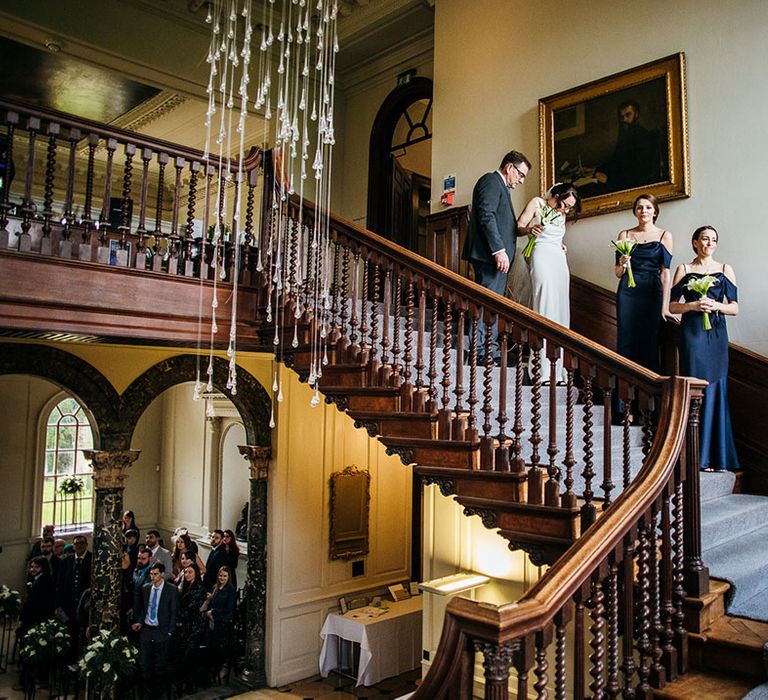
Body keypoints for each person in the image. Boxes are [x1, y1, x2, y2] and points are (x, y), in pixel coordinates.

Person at [669, 226, 740, 471]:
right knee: (696, 386)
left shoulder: (724, 269)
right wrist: (693, 306)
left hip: (717, 334)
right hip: (693, 333)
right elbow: (672, 306)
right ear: (695, 242)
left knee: (717, 386)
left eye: (713, 240)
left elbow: (734, 307)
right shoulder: (684, 269)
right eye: (705, 239)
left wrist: (715, 306)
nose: (709, 243)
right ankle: (695, 454)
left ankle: (717, 456)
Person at [462, 150, 531, 363]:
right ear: (510, 167)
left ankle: (488, 348)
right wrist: (498, 250)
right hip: (490, 256)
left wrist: (527, 230)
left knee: (492, 305)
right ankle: (479, 351)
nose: (520, 181)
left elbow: (505, 225)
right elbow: (486, 216)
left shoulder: (502, 188)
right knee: (485, 303)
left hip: (497, 259)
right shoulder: (490, 181)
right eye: (521, 175)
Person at [517, 183, 580, 383]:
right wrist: (530, 229)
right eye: (563, 204)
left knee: (561, 310)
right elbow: (518, 227)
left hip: (559, 260)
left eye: (569, 208)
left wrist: (560, 244)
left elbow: (556, 235)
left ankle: (557, 370)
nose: (565, 210)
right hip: (541, 255)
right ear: (554, 195)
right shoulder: (537, 203)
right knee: (544, 304)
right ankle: (541, 370)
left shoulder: (561, 213)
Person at [614, 194, 675, 376]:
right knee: (626, 339)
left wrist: (665, 307)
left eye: (648, 207)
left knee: (649, 340)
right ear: (635, 211)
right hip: (627, 292)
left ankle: (648, 398)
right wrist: (624, 263)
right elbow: (617, 273)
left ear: (655, 211)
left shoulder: (665, 235)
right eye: (640, 207)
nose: (644, 211)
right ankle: (623, 396)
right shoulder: (624, 234)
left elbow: (665, 272)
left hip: (651, 291)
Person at [593, 100, 665, 194]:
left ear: (636, 114)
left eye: (628, 115)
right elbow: (616, 159)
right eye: (622, 117)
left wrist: (609, 180)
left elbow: (638, 173)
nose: (624, 120)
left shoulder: (643, 137)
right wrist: (597, 169)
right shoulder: (625, 137)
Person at [131, 562, 179, 696]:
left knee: (160, 664)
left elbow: (174, 612)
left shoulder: (171, 589)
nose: (153, 577)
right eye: (151, 574)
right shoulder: (146, 588)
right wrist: (140, 622)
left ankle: (159, 692)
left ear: (162, 574)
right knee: (144, 662)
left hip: (162, 630)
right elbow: (143, 609)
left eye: (156, 574)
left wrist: (170, 631)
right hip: (147, 629)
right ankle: (147, 691)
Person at [174, 563, 207, 692]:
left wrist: (180, 618)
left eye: (190, 572)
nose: (187, 575)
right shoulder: (183, 586)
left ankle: (190, 684)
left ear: (196, 574)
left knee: (190, 655)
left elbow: (193, 608)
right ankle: (181, 681)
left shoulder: (199, 588)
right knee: (181, 654)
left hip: (194, 626)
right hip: (183, 625)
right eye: (186, 572)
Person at [55, 535, 91, 648]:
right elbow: (60, 584)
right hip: (69, 604)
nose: (79, 545)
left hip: (85, 605)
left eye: (81, 543)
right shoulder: (66, 561)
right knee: (70, 632)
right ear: (73, 546)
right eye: (76, 544)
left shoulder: (92, 559)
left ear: (86, 545)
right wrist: (58, 604)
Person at [203, 566, 236, 682]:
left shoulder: (231, 590)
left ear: (228, 577)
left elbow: (229, 609)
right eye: (221, 575)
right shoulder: (215, 588)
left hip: (223, 623)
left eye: (225, 576)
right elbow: (212, 603)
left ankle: (221, 669)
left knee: (220, 649)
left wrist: (214, 612)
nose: (222, 578)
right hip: (212, 621)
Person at [17, 557, 55, 640]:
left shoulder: (44, 580)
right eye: (32, 567)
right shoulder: (37, 579)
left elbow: (32, 601)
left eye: (37, 567)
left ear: (43, 568)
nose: (33, 569)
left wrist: (23, 617)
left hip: (37, 616)